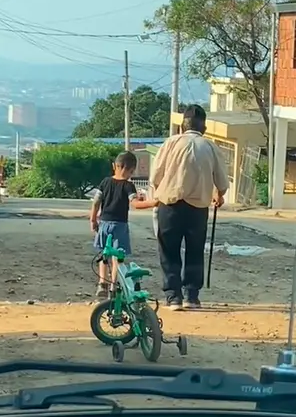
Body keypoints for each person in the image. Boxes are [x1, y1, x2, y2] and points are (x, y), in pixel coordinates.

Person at [151, 104, 229, 311]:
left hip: (170, 206)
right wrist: (218, 196)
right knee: (194, 250)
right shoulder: (210, 147)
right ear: (204, 127)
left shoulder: (170, 143)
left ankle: (173, 297)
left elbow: (155, 177)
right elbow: (222, 182)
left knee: (169, 251)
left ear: (182, 126)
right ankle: (191, 296)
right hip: (198, 209)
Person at [89, 151, 157, 298]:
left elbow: (96, 203)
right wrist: (154, 202)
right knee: (118, 256)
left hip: (104, 223)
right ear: (131, 169)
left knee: (103, 253)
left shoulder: (105, 182)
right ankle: (113, 285)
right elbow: (135, 204)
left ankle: (102, 282)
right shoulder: (128, 186)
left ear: (115, 166)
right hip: (120, 225)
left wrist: (93, 220)